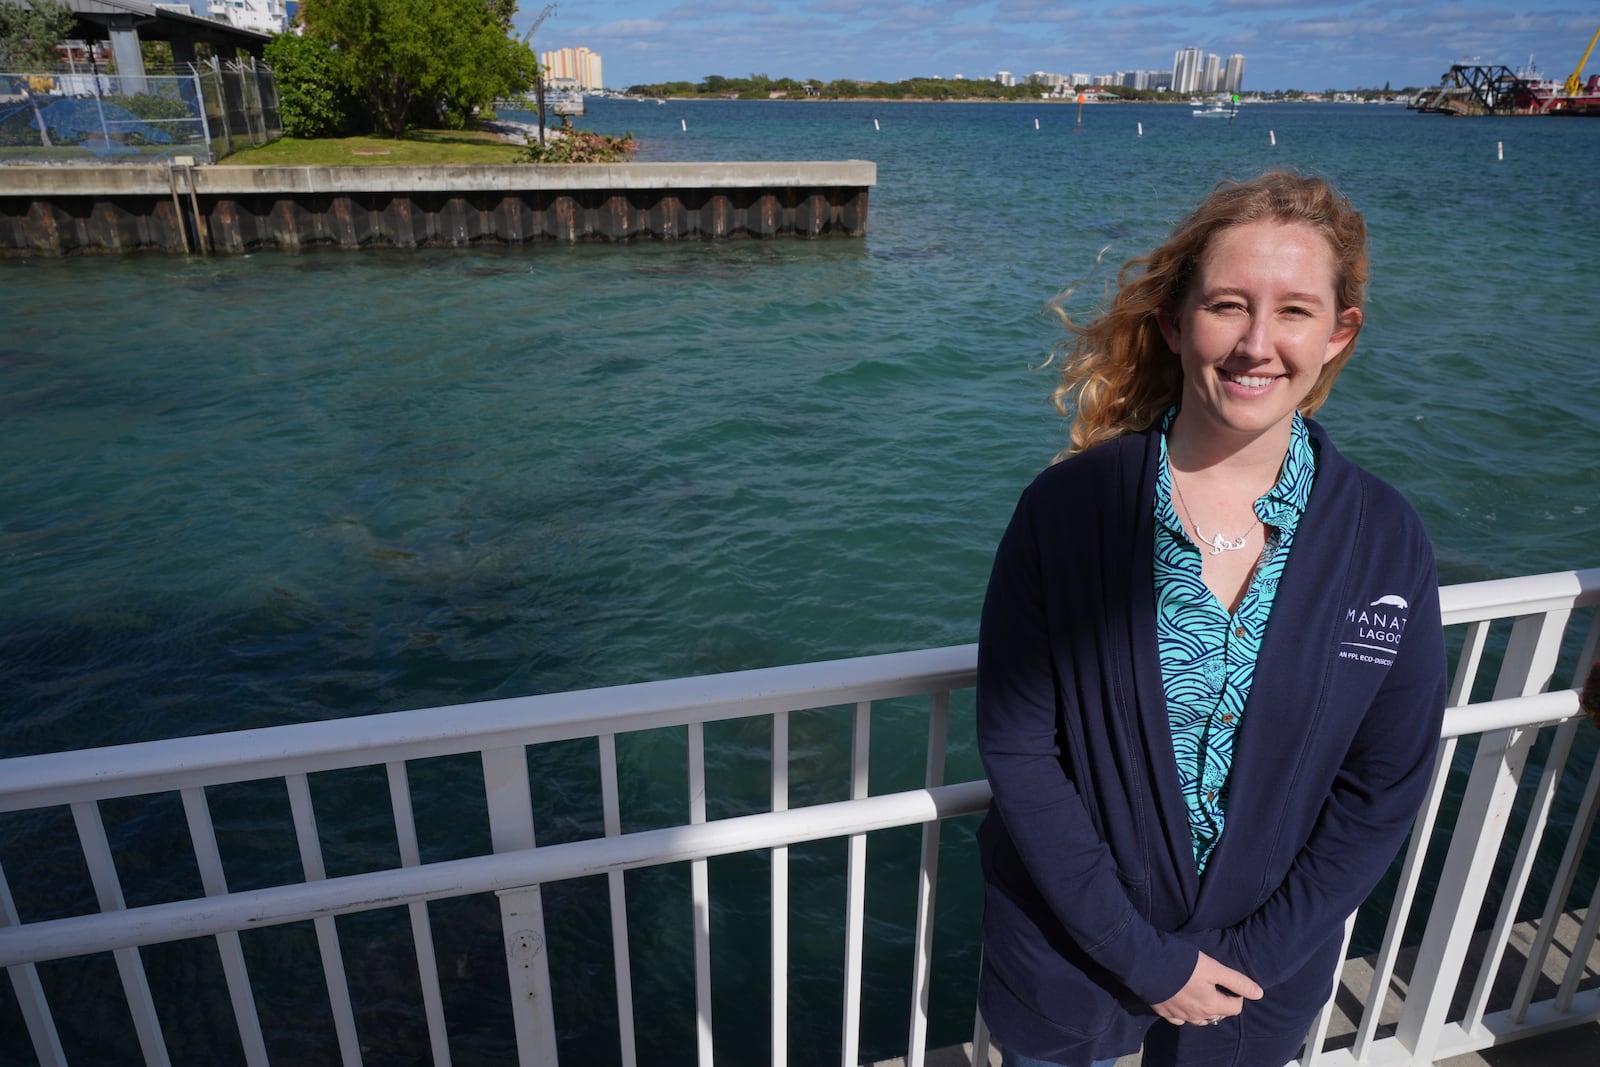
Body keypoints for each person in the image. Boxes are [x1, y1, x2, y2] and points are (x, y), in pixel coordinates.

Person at [975, 171, 1449, 1067]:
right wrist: (1150, 960)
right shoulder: (1068, 512)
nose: (1257, 344)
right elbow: (1019, 751)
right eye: (1228, 306)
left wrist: (1249, 957)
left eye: (1296, 311)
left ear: (1339, 332)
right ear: (1173, 322)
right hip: (1072, 958)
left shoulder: (1384, 540)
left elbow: (1383, 785)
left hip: (1258, 980)